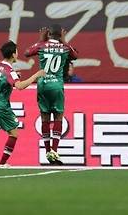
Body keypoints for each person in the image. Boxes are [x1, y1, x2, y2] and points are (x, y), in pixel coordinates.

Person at [24, 25, 78, 165]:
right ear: (60, 34)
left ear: (48, 34)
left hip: (42, 85)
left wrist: (41, 40)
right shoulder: (65, 47)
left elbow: (27, 53)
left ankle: (48, 151)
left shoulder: (42, 46)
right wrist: (64, 40)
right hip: (57, 85)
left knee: (45, 118)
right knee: (58, 116)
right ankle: (54, 151)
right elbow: (75, 56)